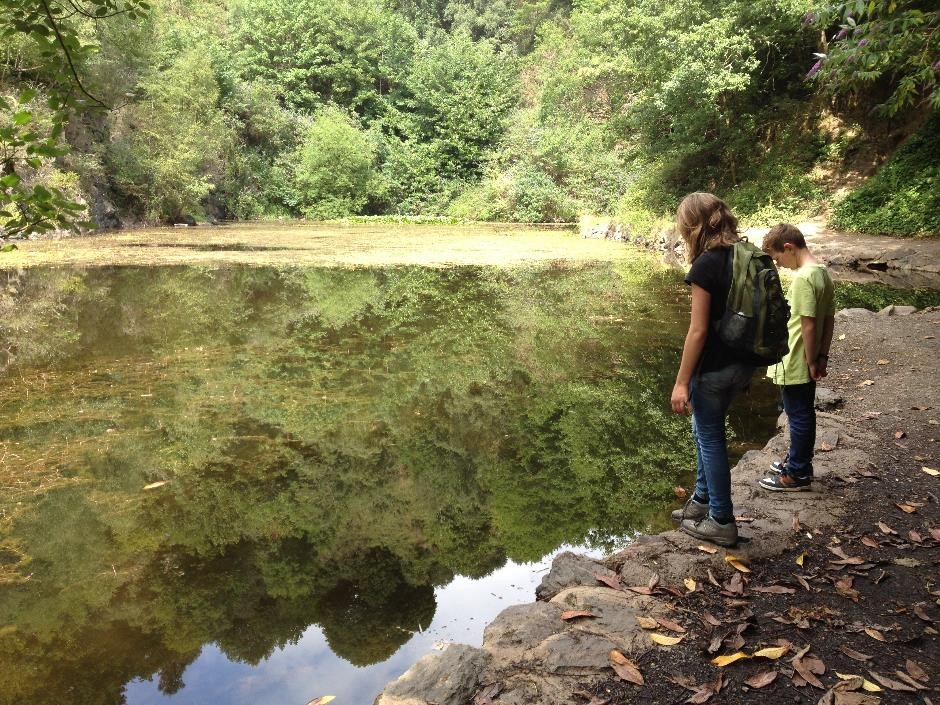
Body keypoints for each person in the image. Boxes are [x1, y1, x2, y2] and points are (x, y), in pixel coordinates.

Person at [669, 192, 763, 547]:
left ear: (692, 225)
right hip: (743, 363)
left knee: (710, 438)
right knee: (704, 431)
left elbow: (699, 330)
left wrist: (681, 383)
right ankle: (701, 502)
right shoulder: (748, 255)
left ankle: (722, 519)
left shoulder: (708, 264)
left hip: (714, 368)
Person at [757, 223, 835, 491]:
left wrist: (811, 360)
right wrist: (822, 356)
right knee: (801, 411)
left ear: (788, 248)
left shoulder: (803, 278)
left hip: (796, 359)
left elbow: (809, 324)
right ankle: (797, 461)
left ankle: (798, 473)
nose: (778, 264)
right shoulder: (822, 273)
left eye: (778, 258)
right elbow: (829, 320)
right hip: (809, 358)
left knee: (798, 414)